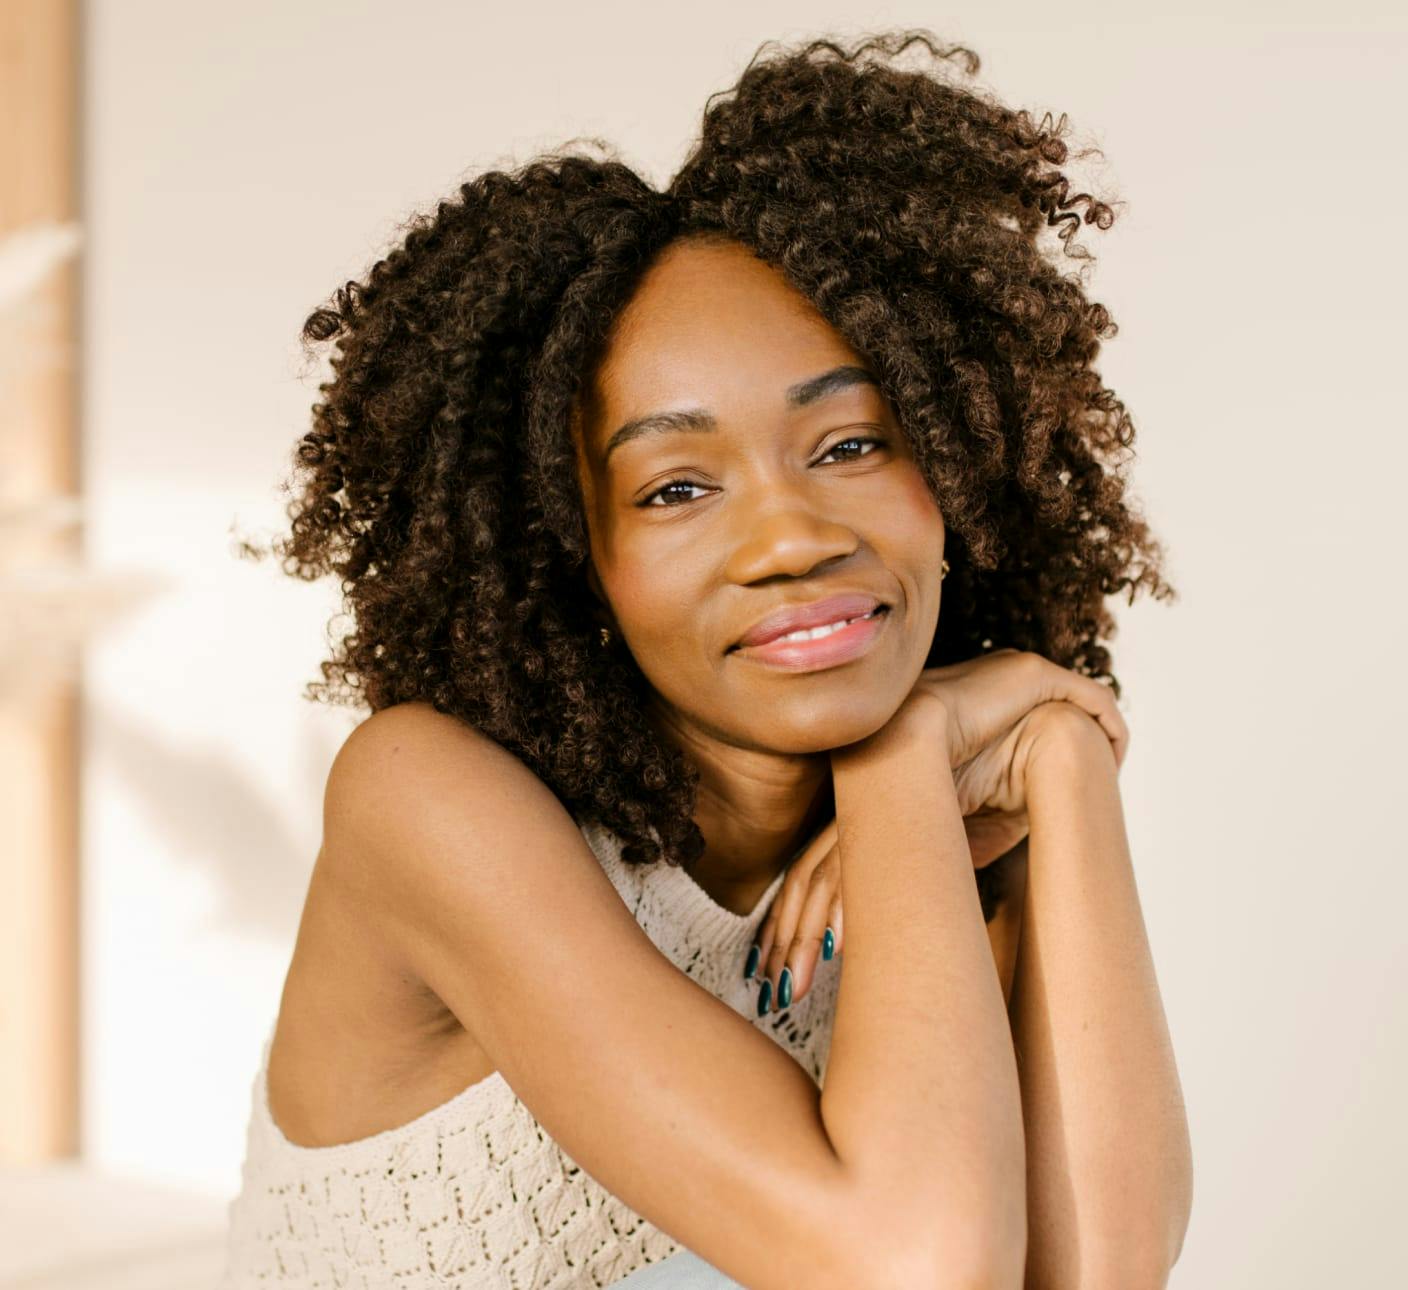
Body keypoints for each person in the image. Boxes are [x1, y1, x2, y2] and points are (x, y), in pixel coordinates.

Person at [221, 28, 1192, 1290]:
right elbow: (919, 1263)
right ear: (574, 553)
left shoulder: (944, 833)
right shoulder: (425, 799)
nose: (792, 536)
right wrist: (905, 748)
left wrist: (1065, 755)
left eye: (849, 445)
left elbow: (1097, 1275)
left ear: (951, 469)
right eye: (677, 486)